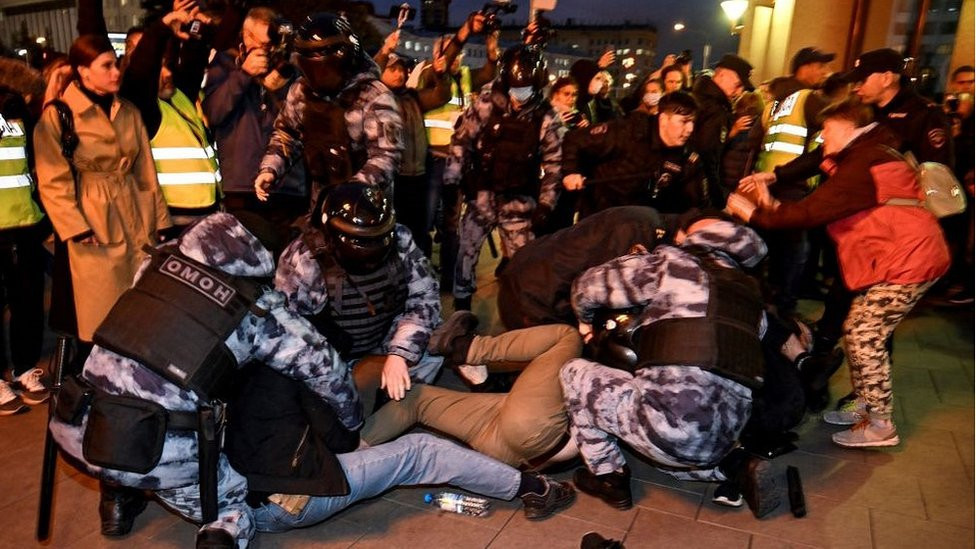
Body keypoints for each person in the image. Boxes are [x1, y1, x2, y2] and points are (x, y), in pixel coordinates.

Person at [47, 213, 362, 549]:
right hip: (164, 455)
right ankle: (218, 535)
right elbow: (326, 370)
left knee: (133, 388)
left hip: (80, 422)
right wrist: (353, 423)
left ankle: (117, 501)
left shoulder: (155, 263)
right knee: (232, 504)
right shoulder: (257, 308)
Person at [728, 97, 950, 448]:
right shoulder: (867, 150)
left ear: (849, 129)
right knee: (857, 327)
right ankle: (866, 404)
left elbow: (809, 213)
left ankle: (880, 425)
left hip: (910, 260)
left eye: (827, 130)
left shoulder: (863, 164)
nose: (822, 138)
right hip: (900, 256)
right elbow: (817, 166)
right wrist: (772, 193)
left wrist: (752, 213)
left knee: (864, 333)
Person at [559, 213, 780, 518]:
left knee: (573, 372)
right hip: (726, 437)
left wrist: (584, 322)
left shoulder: (673, 265)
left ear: (690, 235)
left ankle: (608, 478)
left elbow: (588, 286)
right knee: (677, 429)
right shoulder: (750, 295)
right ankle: (733, 466)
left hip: (669, 432)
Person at [33, 33, 172, 346]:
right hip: (94, 218)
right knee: (100, 311)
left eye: (117, 64)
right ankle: (99, 379)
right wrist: (77, 228)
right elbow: (53, 180)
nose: (115, 72)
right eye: (107, 65)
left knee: (141, 305)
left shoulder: (127, 111)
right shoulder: (59, 116)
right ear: (83, 71)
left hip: (135, 213)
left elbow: (146, 171)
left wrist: (161, 222)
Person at [274, 182, 441, 403]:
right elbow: (290, 333)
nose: (373, 245)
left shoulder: (399, 238)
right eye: (363, 239)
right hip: (334, 354)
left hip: (384, 338)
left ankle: (391, 397)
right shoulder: (304, 260)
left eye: (379, 236)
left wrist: (400, 353)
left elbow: (425, 297)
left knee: (437, 342)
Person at [361, 314, 583, 468]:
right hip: (507, 451)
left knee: (567, 336)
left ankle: (465, 348)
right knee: (417, 398)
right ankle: (344, 457)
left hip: (538, 433)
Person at [446, 44, 565, 311]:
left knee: (524, 262)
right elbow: (461, 140)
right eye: (515, 87)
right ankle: (461, 307)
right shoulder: (487, 103)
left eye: (527, 88)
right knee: (466, 253)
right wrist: (452, 180)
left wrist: (546, 204)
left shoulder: (546, 117)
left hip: (519, 201)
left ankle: (520, 309)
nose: (520, 95)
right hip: (482, 196)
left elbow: (554, 165)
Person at [254, 13, 402, 205]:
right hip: (320, 205)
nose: (316, 70)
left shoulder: (374, 95)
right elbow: (287, 134)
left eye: (319, 57)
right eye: (308, 58)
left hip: (366, 212)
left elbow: (387, 155)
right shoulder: (302, 91)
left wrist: (351, 192)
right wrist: (270, 169)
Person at [204, 7, 308, 256]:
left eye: (274, 43)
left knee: (289, 260)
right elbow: (214, 113)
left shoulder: (291, 67)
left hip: (287, 185)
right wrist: (244, 74)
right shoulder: (225, 63)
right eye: (264, 43)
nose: (270, 49)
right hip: (242, 186)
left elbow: (303, 121)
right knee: (244, 259)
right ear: (247, 37)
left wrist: (283, 86)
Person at [418, 13, 500, 290]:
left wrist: (491, 49)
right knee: (426, 221)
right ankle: (422, 275)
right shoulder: (429, 74)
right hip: (432, 159)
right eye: (450, 54)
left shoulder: (465, 76)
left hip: (456, 161)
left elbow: (490, 72)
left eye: (457, 56)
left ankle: (448, 279)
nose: (454, 60)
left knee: (452, 225)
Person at [120, 4, 222, 228]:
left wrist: (197, 27)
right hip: (171, 219)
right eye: (160, 69)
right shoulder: (143, 108)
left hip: (207, 215)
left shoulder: (179, 97)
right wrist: (161, 28)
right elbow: (141, 73)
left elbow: (193, 64)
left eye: (168, 66)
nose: (168, 74)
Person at [496, 206, 665, 330]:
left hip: (526, 269)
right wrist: (586, 323)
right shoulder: (641, 236)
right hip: (533, 300)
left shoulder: (644, 217)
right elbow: (587, 288)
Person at [561, 91, 706, 218]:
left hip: (644, 225)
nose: (689, 129)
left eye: (692, 122)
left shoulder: (688, 156)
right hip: (600, 215)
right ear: (663, 119)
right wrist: (570, 172)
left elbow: (693, 202)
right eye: (684, 122)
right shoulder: (627, 132)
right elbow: (575, 139)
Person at [374, 29, 454, 257]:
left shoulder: (413, 97)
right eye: (393, 69)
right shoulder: (376, 98)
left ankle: (419, 272)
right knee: (391, 231)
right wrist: (384, 51)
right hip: (392, 180)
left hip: (417, 177)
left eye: (401, 69)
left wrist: (441, 75)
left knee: (417, 232)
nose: (399, 74)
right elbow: (367, 76)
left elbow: (441, 95)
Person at [0, 81, 51, 414]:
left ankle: (24, 370)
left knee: (28, 301)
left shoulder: (13, 104)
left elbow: (32, 163)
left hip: (24, 223)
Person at [692, 53, 755, 206]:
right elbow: (708, 156)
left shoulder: (703, 99)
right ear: (722, 75)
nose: (739, 92)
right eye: (738, 84)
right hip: (697, 190)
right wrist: (718, 198)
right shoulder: (714, 109)